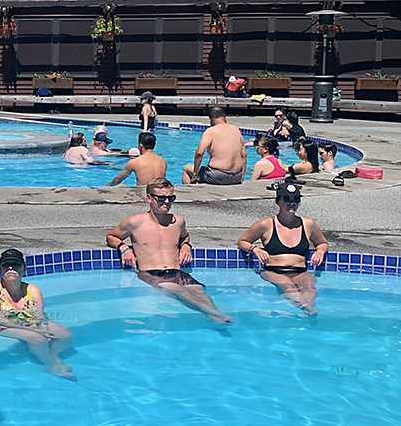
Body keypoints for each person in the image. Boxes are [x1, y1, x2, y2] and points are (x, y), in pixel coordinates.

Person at [107, 178, 233, 325]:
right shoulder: (135, 222)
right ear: (149, 198)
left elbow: (185, 236)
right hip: (151, 273)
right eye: (161, 198)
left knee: (199, 290)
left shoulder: (178, 221)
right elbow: (111, 237)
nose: (167, 202)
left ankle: (212, 315)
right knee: (177, 290)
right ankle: (215, 313)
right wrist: (123, 247)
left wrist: (186, 245)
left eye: (170, 198)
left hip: (177, 272)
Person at [0, 249, 74, 378]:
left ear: (24, 269)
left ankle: (52, 353)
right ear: (0, 270)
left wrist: (43, 327)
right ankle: (49, 364)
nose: (10, 268)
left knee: (66, 335)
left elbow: (39, 315)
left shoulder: (33, 291)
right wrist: (36, 330)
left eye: (16, 265)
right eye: (6, 265)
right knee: (37, 338)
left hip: (23, 319)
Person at [238, 182, 329, 314]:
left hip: (300, 271)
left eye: (295, 200)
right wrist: (255, 249)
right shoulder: (266, 224)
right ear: (277, 201)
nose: (291, 203)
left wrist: (320, 251)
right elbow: (243, 241)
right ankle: (307, 309)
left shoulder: (308, 224)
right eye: (286, 199)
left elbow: (322, 243)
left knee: (309, 288)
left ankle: (308, 311)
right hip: (274, 271)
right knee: (287, 285)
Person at [182, 107, 247, 185]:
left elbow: (199, 153)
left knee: (186, 168)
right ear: (225, 118)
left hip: (217, 176)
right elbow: (244, 154)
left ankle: (191, 195)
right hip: (236, 176)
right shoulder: (236, 130)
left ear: (210, 120)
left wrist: (195, 173)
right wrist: (242, 176)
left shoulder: (211, 131)